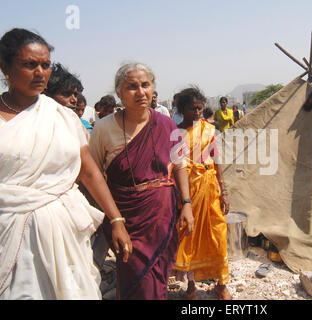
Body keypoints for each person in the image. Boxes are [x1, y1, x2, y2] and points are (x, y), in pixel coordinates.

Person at [0, 28, 132, 300]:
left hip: (62, 234)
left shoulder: (62, 117)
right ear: (5, 67)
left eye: (45, 65)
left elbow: (89, 171)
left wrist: (116, 218)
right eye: (29, 65)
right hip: (7, 232)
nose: (40, 72)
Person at [88, 62, 194, 300]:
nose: (140, 92)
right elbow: (93, 176)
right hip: (125, 218)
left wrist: (186, 203)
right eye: (131, 87)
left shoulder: (167, 124)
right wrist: (113, 219)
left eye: (145, 85)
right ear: (119, 93)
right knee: (135, 276)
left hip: (162, 214)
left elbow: (179, 165)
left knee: (157, 277)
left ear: (153, 88)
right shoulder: (103, 129)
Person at [173, 87, 231, 300]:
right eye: (192, 109)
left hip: (209, 187)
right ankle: (191, 286)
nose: (197, 112)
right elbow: (174, 166)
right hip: (188, 189)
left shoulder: (208, 129)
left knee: (218, 232)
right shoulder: (175, 132)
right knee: (190, 235)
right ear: (182, 109)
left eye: (200, 108)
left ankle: (222, 283)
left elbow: (216, 159)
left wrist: (224, 191)